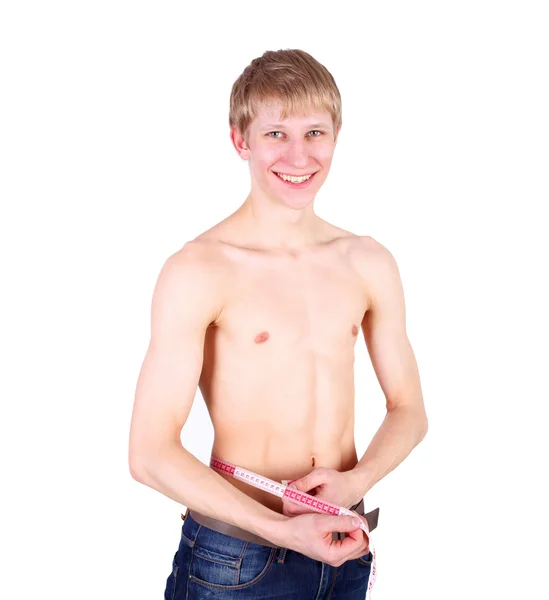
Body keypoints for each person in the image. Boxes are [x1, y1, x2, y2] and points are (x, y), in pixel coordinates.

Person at [128, 48, 428, 599]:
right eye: (275, 134)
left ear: (337, 136)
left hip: (342, 544)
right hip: (237, 557)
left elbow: (409, 410)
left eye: (315, 132)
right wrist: (283, 529)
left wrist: (355, 482)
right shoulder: (199, 269)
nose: (299, 154)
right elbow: (149, 453)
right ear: (240, 140)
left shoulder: (368, 261)